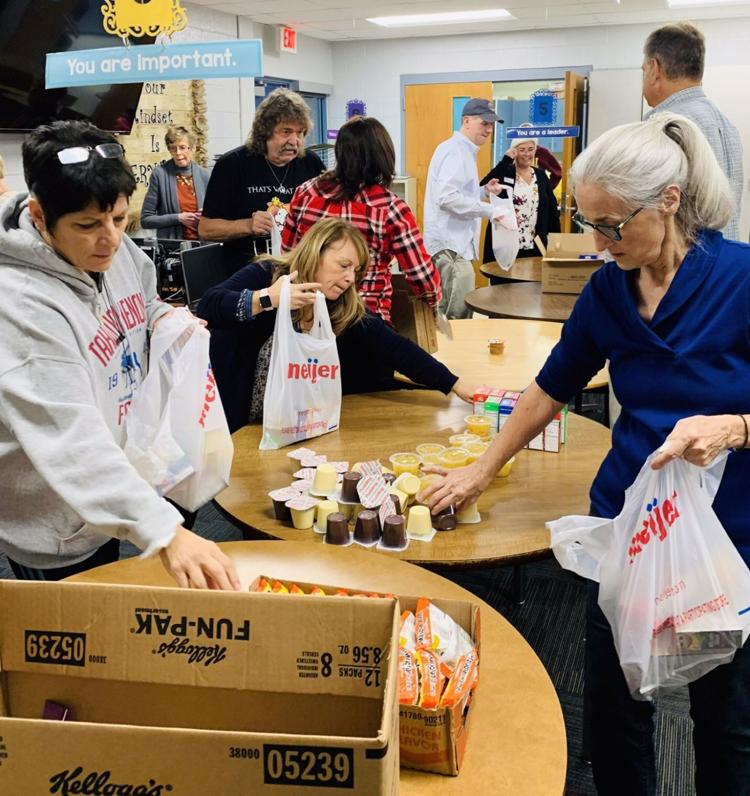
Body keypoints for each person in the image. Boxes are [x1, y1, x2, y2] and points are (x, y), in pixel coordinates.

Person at [423, 112, 750, 794]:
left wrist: (734, 428)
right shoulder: (608, 291)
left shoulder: (741, 278)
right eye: (587, 221)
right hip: (628, 525)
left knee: (726, 721)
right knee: (615, 705)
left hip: (727, 535)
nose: (599, 243)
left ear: (669, 199)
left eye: (612, 225)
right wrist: (481, 470)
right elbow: (550, 388)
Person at [0, 120, 239, 590]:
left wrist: (162, 318)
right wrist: (166, 533)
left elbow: (142, 300)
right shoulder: (20, 306)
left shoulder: (114, 248)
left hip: (110, 489)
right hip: (54, 522)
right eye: (88, 226)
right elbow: (72, 441)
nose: (110, 238)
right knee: (75, 636)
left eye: (119, 218)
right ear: (40, 215)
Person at [198, 218, 473, 433]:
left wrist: (454, 383)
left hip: (296, 425)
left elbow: (395, 347)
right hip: (239, 420)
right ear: (316, 252)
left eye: (356, 271)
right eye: (343, 265)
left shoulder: (340, 305)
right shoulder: (267, 274)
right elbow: (210, 305)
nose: (349, 278)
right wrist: (268, 299)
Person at [282, 115, 441, 324]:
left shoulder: (305, 193)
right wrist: (434, 304)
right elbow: (423, 278)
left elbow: (288, 257)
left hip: (307, 318)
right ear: (383, 156)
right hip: (365, 322)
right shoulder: (390, 209)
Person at [198, 88, 325, 269]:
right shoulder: (232, 165)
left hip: (299, 271)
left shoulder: (311, 164)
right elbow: (205, 229)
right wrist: (248, 225)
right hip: (246, 275)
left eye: (300, 133)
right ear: (264, 132)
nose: (294, 140)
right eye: (286, 131)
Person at [642, 22, 743, 240]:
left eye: (644, 70)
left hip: (683, 266)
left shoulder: (663, 124)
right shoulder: (727, 126)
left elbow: (644, 206)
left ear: (654, 69)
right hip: (723, 263)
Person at [423, 98, 504, 320]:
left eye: (491, 125)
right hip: (451, 244)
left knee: (455, 307)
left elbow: (457, 194)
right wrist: (491, 211)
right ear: (466, 121)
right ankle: (450, 353)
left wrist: (483, 191)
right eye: (484, 123)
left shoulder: (464, 150)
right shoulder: (455, 151)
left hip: (456, 243)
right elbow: (447, 198)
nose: (488, 130)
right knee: (456, 312)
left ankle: (448, 351)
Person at [480, 136, 560, 262]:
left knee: (532, 280)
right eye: (522, 150)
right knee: (504, 280)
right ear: (514, 151)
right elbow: (484, 185)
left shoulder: (540, 175)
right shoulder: (506, 172)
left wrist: (556, 241)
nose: (527, 154)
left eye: (531, 149)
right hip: (507, 243)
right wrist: (506, 160)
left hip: (535, 245)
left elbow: (552, 210)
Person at [140, 125, 210, 240]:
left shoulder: (205, 175)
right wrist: (178, 218)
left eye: (182, 147)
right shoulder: (160, 175)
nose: (178, 153)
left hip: (203, 245)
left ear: (192, 148)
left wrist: (207, 214)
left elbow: (221, 215)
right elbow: (146, 220)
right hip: (174, 248)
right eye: (173, 148)